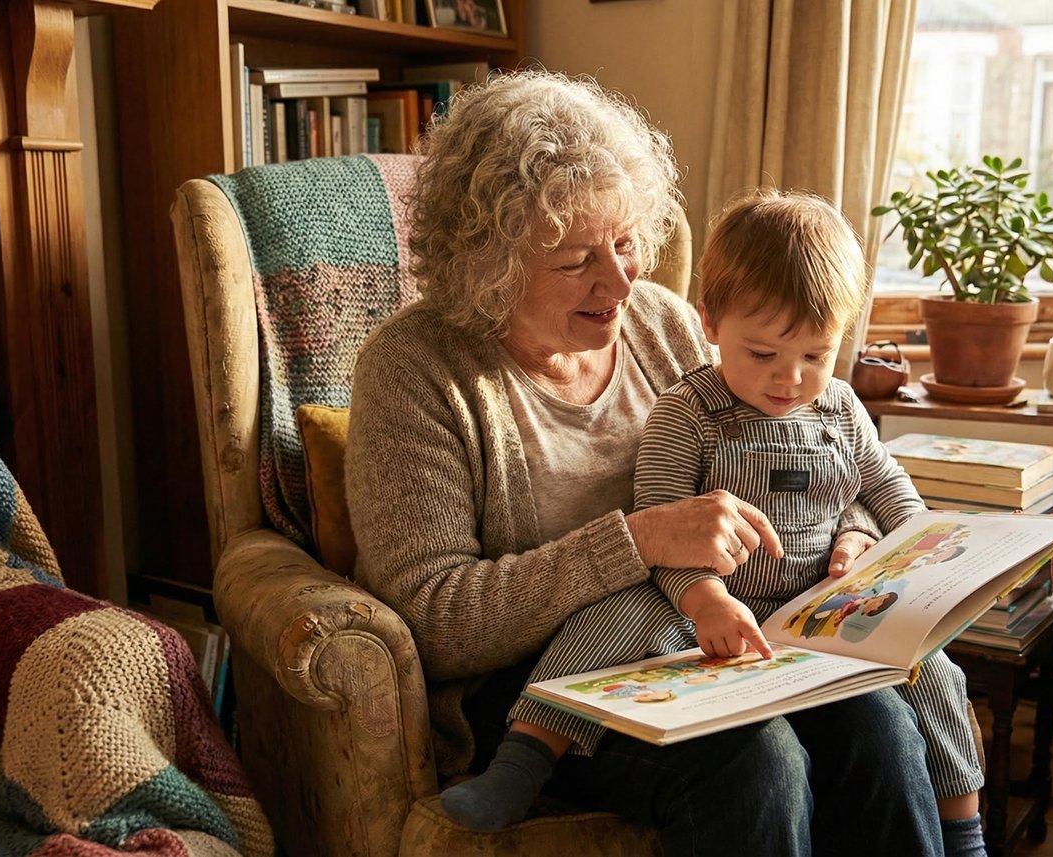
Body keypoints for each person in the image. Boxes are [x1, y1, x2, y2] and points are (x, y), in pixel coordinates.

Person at [346, 70, 946, 856]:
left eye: (626, 243)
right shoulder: (414, 369)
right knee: (756, 760)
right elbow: (433, 616)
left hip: (704, 634)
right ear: (486, 263)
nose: (622, 279)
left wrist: (860, 528)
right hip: (539, 687)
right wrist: (638, 541)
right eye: (576, 260)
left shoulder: (661, 324)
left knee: (880, 723)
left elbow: (797, 448)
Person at [440, 190, 988, 856]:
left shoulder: (841, 410)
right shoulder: (688, 410)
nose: (790, 379)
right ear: (711, 323)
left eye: (815, 356)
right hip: (696, 602)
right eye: (762, 356)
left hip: (809, 609)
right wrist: (708, 600)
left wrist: (921, 557)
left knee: (925, 674)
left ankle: (963, 833)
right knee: (612, 616)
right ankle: (524, 757)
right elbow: (663, 525)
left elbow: (889, 493)